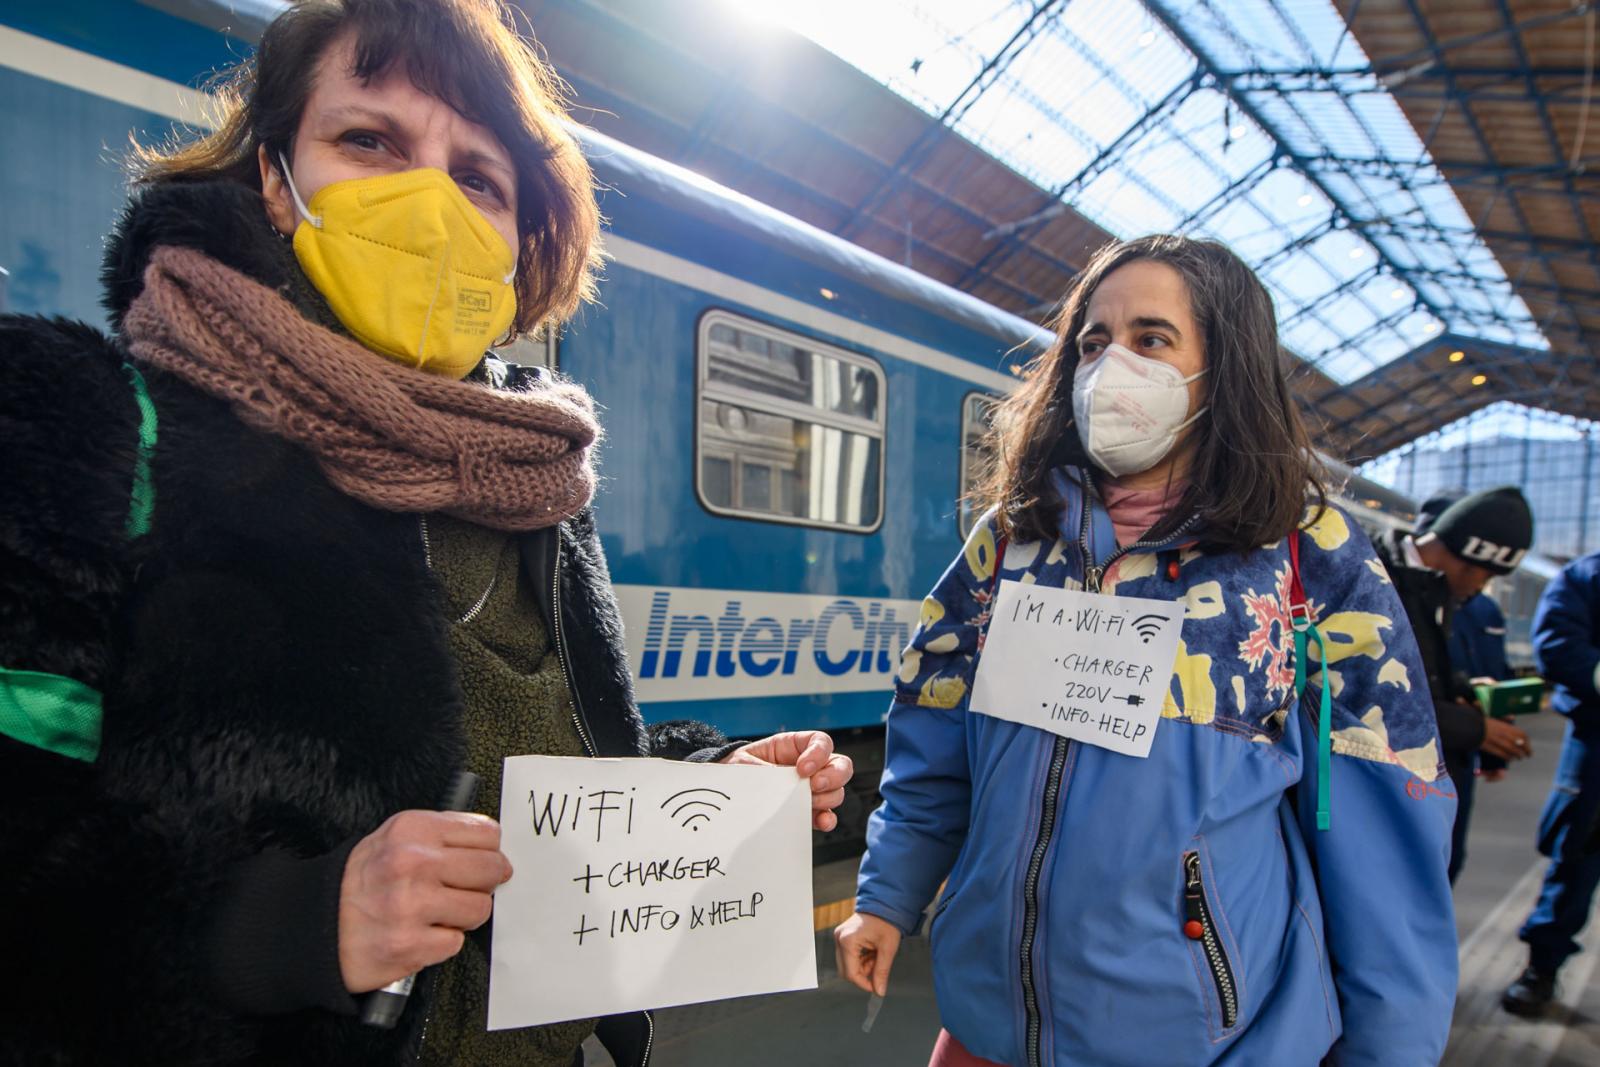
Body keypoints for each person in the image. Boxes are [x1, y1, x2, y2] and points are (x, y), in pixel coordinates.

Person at [0, 2, 851, 1064]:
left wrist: (714, 786)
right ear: (275, 175)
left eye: (479, 178)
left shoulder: (532, 483)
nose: (430, 201)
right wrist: (284, 926)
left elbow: (544, 770)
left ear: (514, 236)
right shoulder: (80, 424)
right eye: (369, 141)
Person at [833, 235, 1457, 1066]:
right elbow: (933, 736)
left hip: (1200, 1042)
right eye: (1094, 341)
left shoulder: (1307, 558)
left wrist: (1388, 1051)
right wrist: (889, 895)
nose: (1111, 365)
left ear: (1223, 370)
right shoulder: (1014, 541)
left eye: (1151, 339)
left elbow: (1387, 838)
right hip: (989, 1033)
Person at [1370, 487, 1535, 882]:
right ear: (1472, 555)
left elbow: (1421, 673)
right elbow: (1374, 696)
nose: (1484, 586)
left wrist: (1462, 688)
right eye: (1488, 574)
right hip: (1389, 794)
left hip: (1425, 787)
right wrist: (1475, 729)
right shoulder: (1376, 580)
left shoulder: (1433, 588)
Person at [1503, 549, 1600, 1016]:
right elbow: (1558, 646)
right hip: (1597, 743)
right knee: (1576, 853)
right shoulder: (1587, 576)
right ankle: (1543, 966)